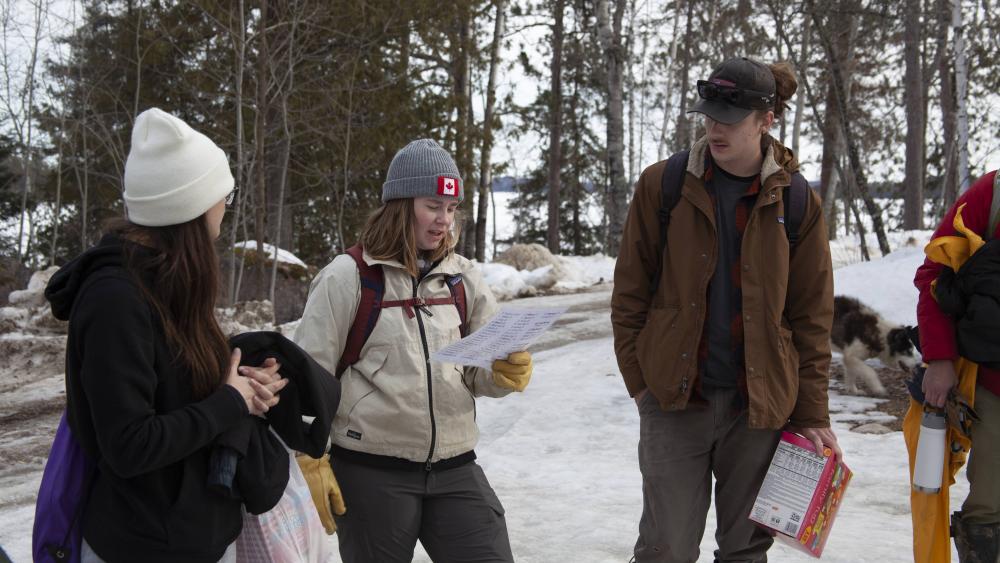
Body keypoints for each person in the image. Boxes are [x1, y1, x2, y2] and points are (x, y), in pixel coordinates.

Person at [611, 57, 841, 562]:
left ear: (766, 120)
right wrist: (642, 383)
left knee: (744, 550)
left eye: (730, 119)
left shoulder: (798, 202)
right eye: (709, 116)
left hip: (758, 408)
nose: (716, 129)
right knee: (663, 548)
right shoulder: (664, 186)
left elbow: (810, 317)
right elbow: (629, 294)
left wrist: (811, 411)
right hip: (675, 401)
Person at [45, 108, 287, 563]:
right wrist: (228, 402)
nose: (225, 208)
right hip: (141, 547)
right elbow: (129, 445)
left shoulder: (166, 282)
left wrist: (244, 387)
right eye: (223, 196)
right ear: (189, 207)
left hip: (193, 537)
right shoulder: (115, 300)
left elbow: (179, 392)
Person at [294, 139, 531, 563]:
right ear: (401, 204)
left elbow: (474, 372)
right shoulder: (348, 278)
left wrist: (501, 372)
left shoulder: (462, 278)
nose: (444, 221)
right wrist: (307, 456)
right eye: (433, 205)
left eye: (452, 208)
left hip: (456, 467)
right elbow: (307, 377)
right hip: (371, 473)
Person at [914, 168, 1000, 562]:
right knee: (988, 514)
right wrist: (941, 357)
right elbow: (935, 274)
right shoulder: (994, 194)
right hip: (994, 385)